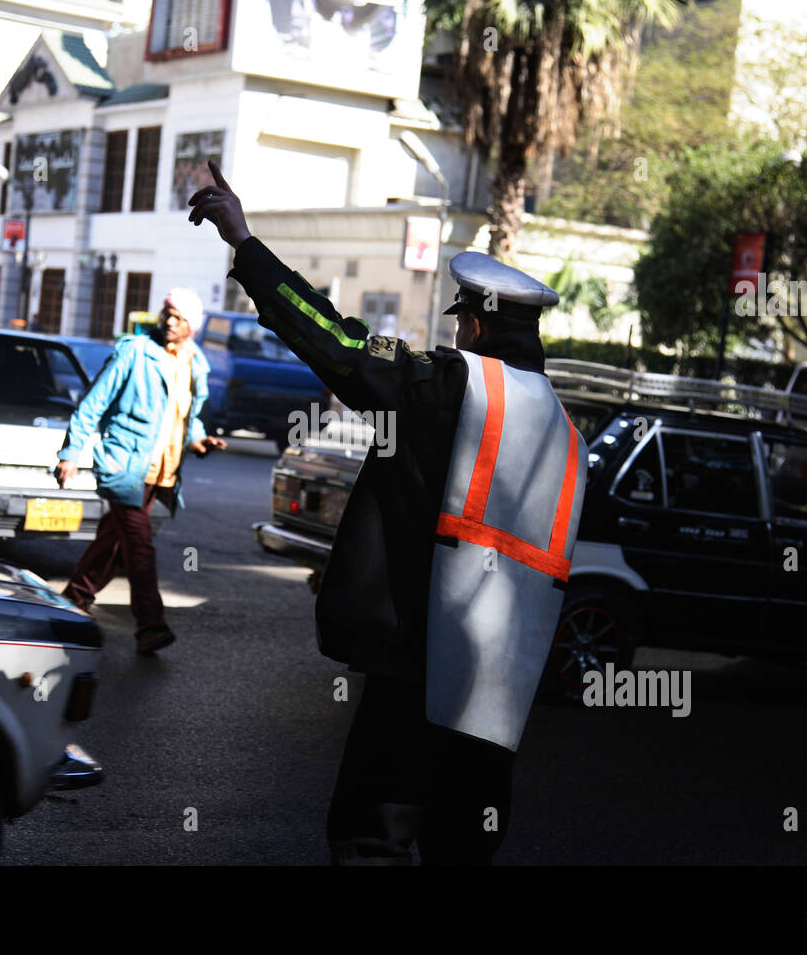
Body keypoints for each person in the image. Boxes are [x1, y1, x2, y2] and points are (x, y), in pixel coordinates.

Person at [189, 160, 588, 864]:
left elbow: (334, 343)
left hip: (415, 669)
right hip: (501, 686)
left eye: (462, 319)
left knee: (372, 837)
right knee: (463, 845)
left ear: (478, 325)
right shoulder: (566, 433)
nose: (457, 334)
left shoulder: (449, 388)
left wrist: (243, 242)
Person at [54, 288, 227, 653]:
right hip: (125, 464)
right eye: (167, 314)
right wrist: (70, 453)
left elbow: (188, 418)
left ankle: (74, 598)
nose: (169, 322)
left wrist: (199, 441)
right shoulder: (134, 352)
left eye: (179, 318)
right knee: (138, 543)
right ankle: (150, 624)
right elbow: (93, 404)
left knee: (114, 540)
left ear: (192, 327)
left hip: (162, 470)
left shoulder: (195, 363)